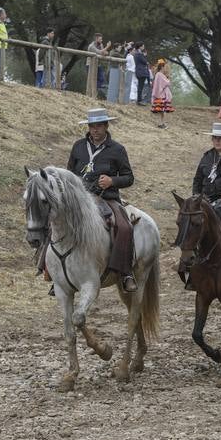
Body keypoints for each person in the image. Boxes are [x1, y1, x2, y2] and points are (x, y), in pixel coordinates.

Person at [67, 108, 137, 291]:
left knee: (124, 227)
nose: (95, 129)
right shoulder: (78, 146)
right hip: (80, 199)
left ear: (106, 126)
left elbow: (129, 178)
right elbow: (69, 173)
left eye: (99, 126)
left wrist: (112, 180)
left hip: (107, 199)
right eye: (92, 126)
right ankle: (50, 268)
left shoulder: (117, 149)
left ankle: (125, 272)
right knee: (56, 221)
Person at [151, 59, 174, 128]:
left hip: (160, 94)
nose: (165, 69)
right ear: (162, 67)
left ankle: (161, 123)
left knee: (161, 110)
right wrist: (168, 79)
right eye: (164, 67)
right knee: (162, 110)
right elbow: (166, 83)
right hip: (161, 95)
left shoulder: (159, 74)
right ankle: (161, 123)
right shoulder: (160, 75)